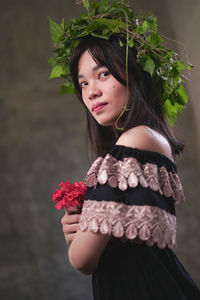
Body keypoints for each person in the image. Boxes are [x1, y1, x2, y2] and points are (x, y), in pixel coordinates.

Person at [49, 1, 200, 299]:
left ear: (134, 73)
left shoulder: (138, 139)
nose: (91, 91)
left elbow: (82, 259)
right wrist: (79, 226)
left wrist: (79, 237)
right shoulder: (143, 141)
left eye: (102, 73)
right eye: (83, 83)